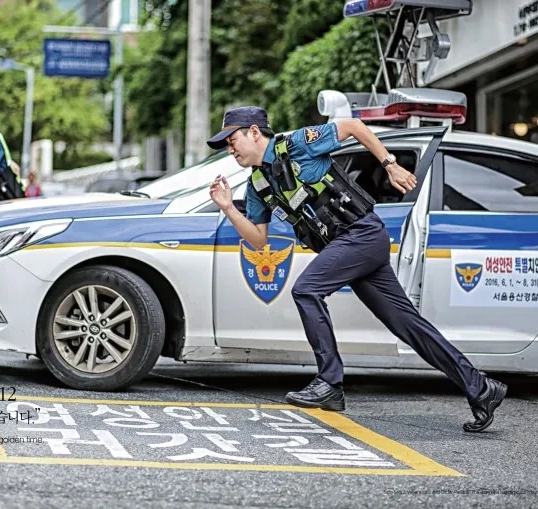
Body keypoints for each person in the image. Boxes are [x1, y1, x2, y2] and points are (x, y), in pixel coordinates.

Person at [206, 106, 507, 433]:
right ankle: (481, 388)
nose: (230, 149)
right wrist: (226, 208)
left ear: (253, 132)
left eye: (232, 140)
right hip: (349, 248)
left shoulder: (297, 144)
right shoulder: (257, 185)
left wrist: (390, 165)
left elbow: (352, 127)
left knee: (306, 289)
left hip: (362, 234)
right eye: (226, 145)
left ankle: (330, 381)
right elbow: (258, 240)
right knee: (408, 326)